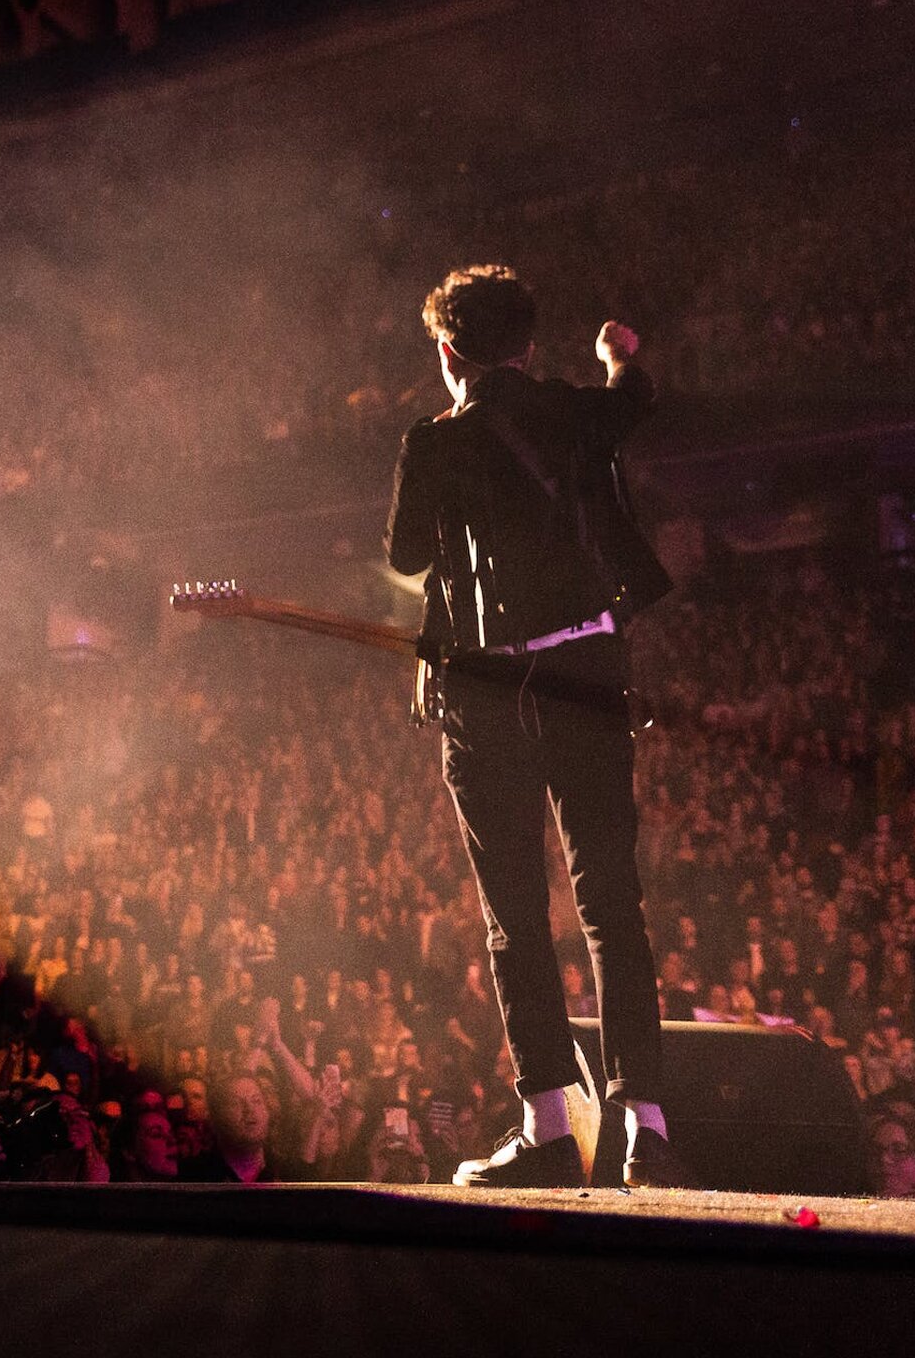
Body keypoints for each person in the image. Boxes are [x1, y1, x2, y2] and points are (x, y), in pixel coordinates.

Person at [385, 264, 678, 1188]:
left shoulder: (432, 442)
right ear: (527, 346)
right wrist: (616, 357)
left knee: (515, 912)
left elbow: (404, 559)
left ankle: (551, 1125)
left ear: (446, 352)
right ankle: (646, 1128)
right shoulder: (575, 409)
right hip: (589, 671)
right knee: (610, 904)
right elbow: (633, 397)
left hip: (489, 689)